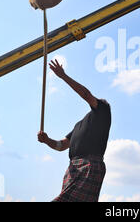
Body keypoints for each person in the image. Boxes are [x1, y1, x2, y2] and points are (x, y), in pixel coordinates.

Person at [37, 59, 111, 202]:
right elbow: (61, 146)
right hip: (74, 167)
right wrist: (47, 140)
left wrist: (63, 76)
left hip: (90, 165)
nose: (95, 100)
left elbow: (86, 94)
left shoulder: (103, 110)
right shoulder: (79, 125)